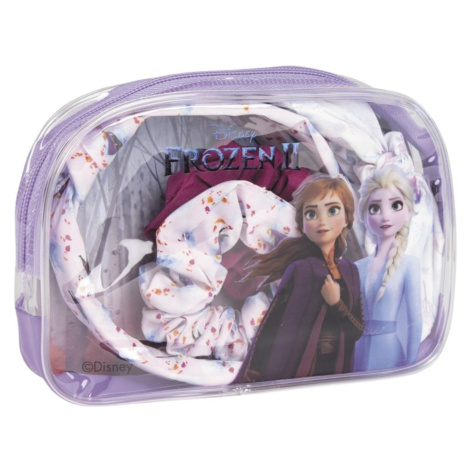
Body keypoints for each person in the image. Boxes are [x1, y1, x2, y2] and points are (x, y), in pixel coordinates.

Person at [235, 175, 364, 382]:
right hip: (295, 368)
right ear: (302, 225)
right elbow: (273, 322)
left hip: (338, 372)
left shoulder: (351, 272)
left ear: (347, 218)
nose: (322, 221)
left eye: (332, 211)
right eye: (311, 213)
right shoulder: (300, 269)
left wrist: (336, 303)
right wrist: (254, 369)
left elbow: (357, 330)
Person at [353, 166, 422, 372]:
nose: (385, 216)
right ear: (364, 216)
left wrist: (411, 367)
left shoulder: (409, 264)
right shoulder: (358, 267)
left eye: (395, 205)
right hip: (358, 353)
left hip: (390, 356)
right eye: (375, 208)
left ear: (408, 212)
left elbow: (415, 322)